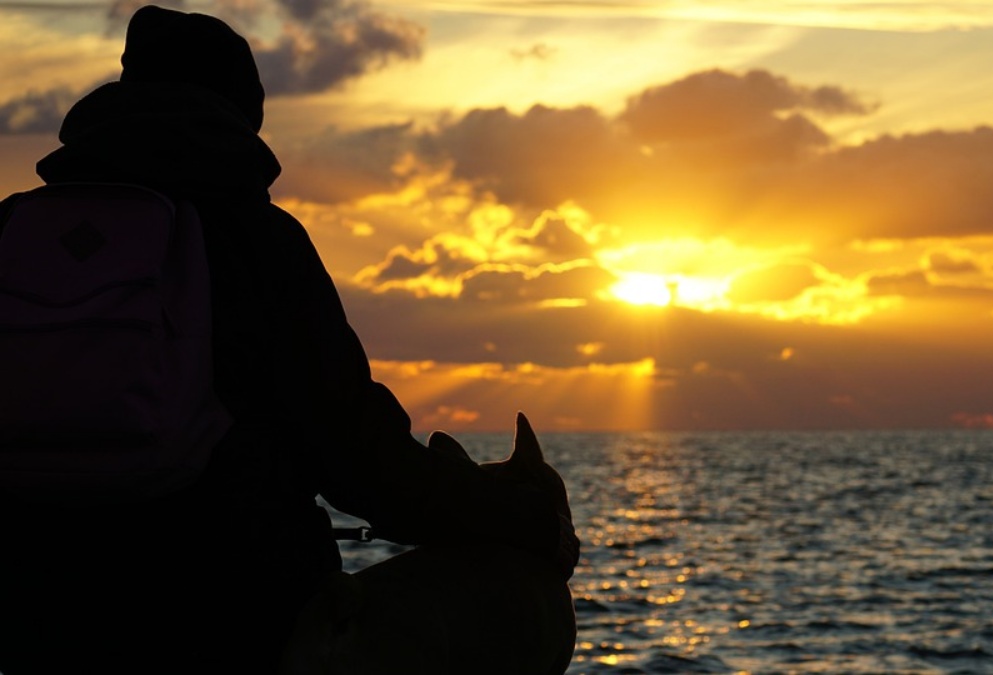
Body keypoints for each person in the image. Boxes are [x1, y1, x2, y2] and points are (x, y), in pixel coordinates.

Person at [0, 6, 577, 673]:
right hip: (235, 621)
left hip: (33, 621)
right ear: (239, 118)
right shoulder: (255, 243)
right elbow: (365, 463)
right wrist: (519, 520)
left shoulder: (13, 232)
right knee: (522, 592)